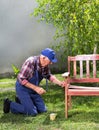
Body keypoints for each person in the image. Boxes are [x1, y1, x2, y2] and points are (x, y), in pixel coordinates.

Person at [3, 48, 66, 116]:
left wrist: (60, 83)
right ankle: (10, 104)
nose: (51, 63)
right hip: (23, 89)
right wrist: (36, 88)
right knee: (32, 112)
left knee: (43, 110)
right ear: (43, 58)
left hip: (33, 90)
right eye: (50, 60)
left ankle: (21, 101)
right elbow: (21, 79)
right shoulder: (31, 62)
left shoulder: (44, 65)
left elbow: (48, 76)